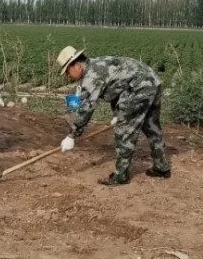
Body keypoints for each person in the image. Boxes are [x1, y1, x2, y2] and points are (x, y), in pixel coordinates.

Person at [56, 46, 171, 186]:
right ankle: (162, 167)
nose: (68, 76)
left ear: (76, 65)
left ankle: (121, 176)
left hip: (139, 88)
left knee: (123, 132)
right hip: (152, 81)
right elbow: (117, 88)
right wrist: (117, 113)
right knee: (151, 126)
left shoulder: (92, 76)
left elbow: (86, 108)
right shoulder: (99, 64)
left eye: (68, 71)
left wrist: (71, 135)